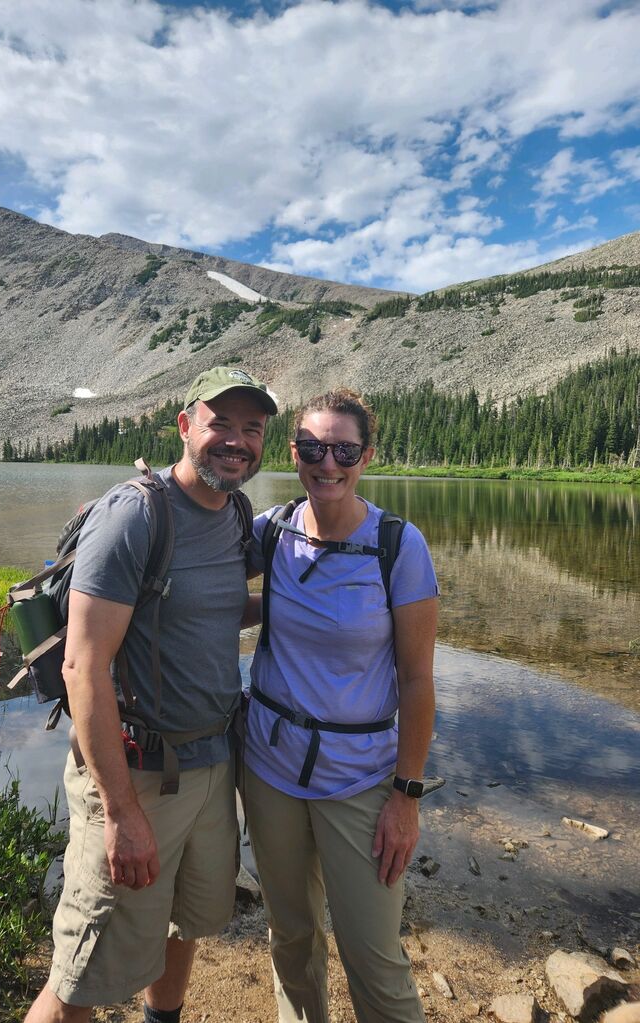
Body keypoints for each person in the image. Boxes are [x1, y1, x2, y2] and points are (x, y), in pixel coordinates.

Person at [25, 367, 277, 1023]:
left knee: (182, 924)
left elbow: (215, 609)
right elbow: (84, 666)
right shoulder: (136, 512)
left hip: (211, 767)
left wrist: (305, 612)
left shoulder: (235, 514)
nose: (237, 441)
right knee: (80, 973)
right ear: (185, 425)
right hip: (135, 772)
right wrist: (120, 811)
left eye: (252, 428)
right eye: (221, 422)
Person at [244, 388, 439, 1023]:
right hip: (269, 769)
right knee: (292, 938)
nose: (327, 463)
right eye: (311, 447)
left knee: (374, 956)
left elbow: (416, 681)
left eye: (344, 450)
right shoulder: (269, 532)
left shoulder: (398, 546)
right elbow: (195, 530)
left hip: (360, 778)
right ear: (294, 453)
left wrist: (405, 796)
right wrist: (126, 506)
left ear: (366, 456)